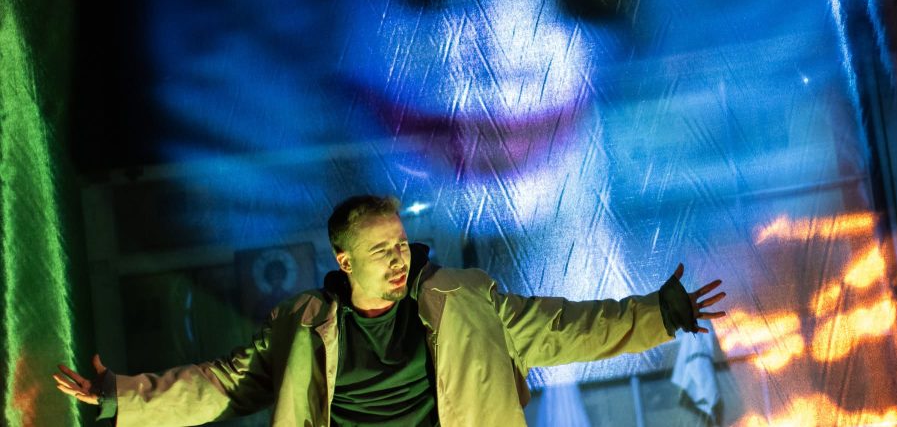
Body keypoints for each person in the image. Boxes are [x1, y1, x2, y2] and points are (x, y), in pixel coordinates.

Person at [56, 194, 726, 426]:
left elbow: (564, 328)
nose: (398, 258)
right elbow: (221, 384)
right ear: (344, 260)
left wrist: (660, 312)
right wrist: (120, 395)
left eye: (401, 244)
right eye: (381, 250)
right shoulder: (303, 325)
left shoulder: (465, 301)